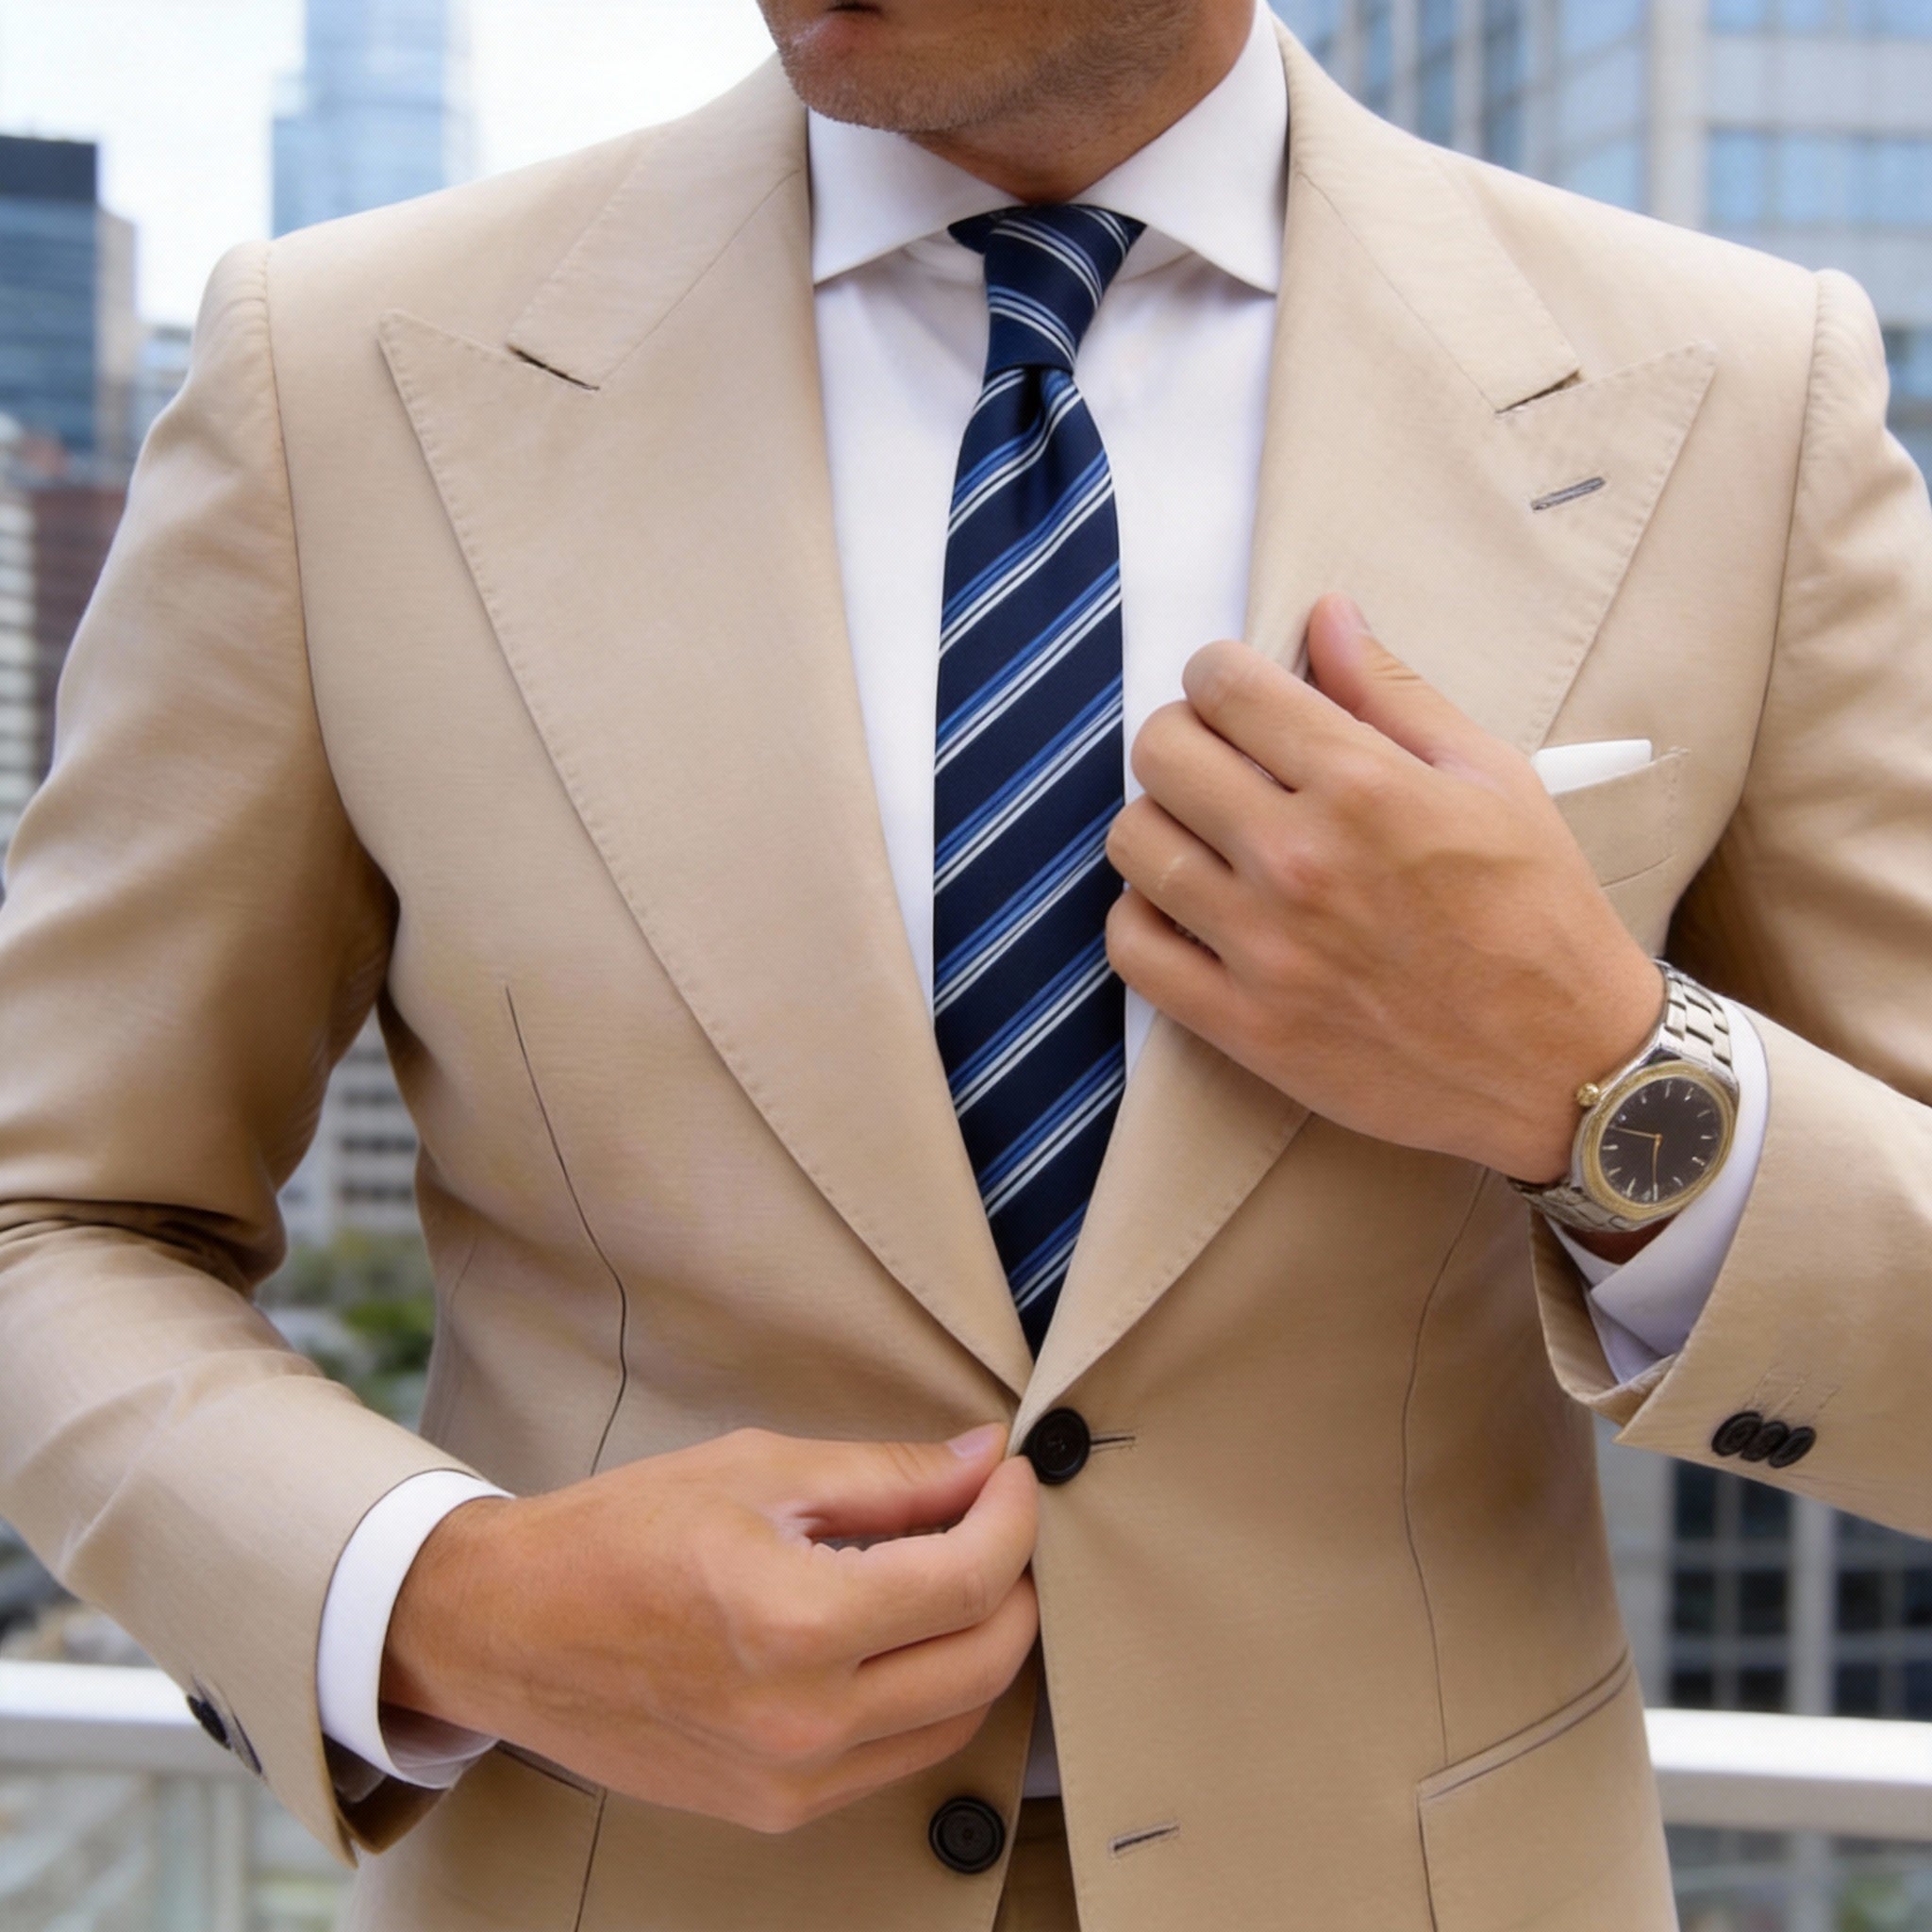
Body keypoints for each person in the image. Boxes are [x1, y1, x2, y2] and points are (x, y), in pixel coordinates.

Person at [1, 0, 1928, 1924]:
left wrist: (1602, 1077)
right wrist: (453, 1601)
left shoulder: (1738, 398)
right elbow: (49, 1219)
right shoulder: (333, 380)